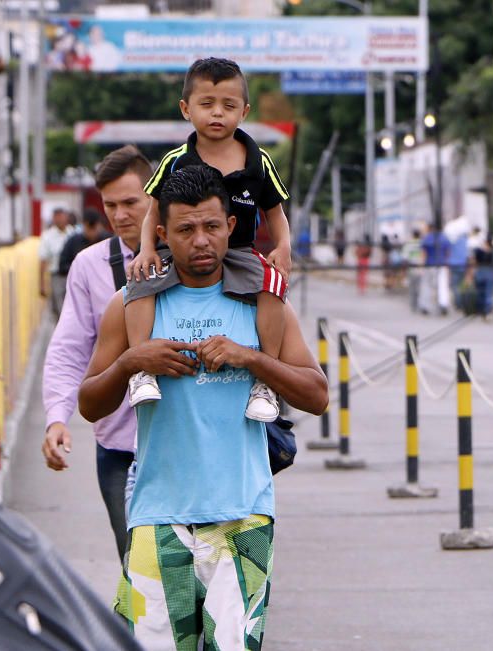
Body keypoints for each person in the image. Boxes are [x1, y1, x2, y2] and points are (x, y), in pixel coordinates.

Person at [78, 164, 328, 651]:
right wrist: (132, 361)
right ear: (162, 233)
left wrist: (251, 358)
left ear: (231, 227)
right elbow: (89, 404)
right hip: (156, 516)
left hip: (243, 517)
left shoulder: (261, 303)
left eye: (212, 226)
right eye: (186, 229)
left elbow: (316, 394)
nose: (201, 241)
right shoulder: (130, 305)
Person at [126, 57, 292, 423]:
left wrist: (282, 247)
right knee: (139, 281)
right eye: (207, 104)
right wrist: (149, 249)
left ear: (244, 111)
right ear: (186, 109)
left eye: (228, 106)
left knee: (273, 286)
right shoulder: (175, 161)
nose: (217, 114)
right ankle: (141, 370)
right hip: (179, 252)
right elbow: (154, 212)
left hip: (240, 252)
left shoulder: (259, 161)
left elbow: (275, 213)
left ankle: (265, 383)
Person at [41, 146, 152, 562]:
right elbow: (69, 347)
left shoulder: (187, 254)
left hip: (182, 444)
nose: (120, 214)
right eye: (110, 205)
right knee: (135, 565)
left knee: (193, 570)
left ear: (154, 197)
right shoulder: (89, 266)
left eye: (130, 202)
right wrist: (57, 417)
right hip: (119, 446)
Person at [39, 207, 76, 319]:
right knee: (59, 307)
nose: (59, 219)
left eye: (61, 216)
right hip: (57, 276)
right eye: (57, 217)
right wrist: (41, 284)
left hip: (73, 274)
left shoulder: (73, 233)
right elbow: (43, 260)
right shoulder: (47, 236)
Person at [58, 207, 110, 275]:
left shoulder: (108, 241)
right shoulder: (73, 241)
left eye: (94, 228)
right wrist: (82, 268)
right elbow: (62, 267)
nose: (92, 232)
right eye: (89, 228)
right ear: (83, 225)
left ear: (100, 225)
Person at [419, 225, 451, 315]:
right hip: (441, 264)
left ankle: (425, 306)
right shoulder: (444, 238)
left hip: (429, 264)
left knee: (427, 285)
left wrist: (421, 266)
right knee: (442, 285)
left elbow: (423, 253)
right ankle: (443, 304)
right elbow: (448, 252)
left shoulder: (427, 238)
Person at [471, 229, 493, 317]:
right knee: (488, 292)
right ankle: (487, 310)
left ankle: (481, 310)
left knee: (480, 292)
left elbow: (474, 261)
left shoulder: (478, 250)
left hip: (480, 271)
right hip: (489, 271)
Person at [402, 227, 425, 312]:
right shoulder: (422, 243)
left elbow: (405, 257)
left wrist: (404, 270)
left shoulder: (409, 244)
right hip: (421, 267)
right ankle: (419, 303)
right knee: (420, 287)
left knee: (412, 287)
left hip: (411, 268)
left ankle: (413, 305)